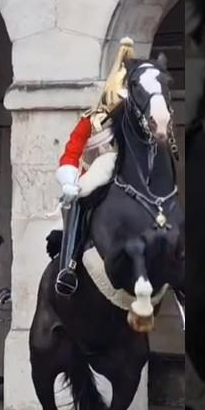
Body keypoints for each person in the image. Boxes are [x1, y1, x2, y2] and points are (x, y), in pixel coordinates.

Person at [54, 37, 136, 296]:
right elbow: (71, 152)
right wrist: (69, 181)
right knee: (76, 209)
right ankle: (68, 266)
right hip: (94, 180)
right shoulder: (89, 121)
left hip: (126, 177)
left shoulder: (133, 123)